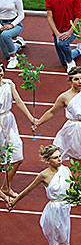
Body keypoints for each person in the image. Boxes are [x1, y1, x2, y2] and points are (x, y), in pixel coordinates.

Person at [7, 144, 81, 245]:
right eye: (55, 158)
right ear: (47, 160)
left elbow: (75, 189)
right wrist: (14, 202)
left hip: (65, 210)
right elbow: (27, 190)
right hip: (54, 212)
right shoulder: (44, 175)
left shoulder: (66, 170)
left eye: (60, 156)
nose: (59, 160)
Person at [0, 61, 34, 194]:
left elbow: (18, 101)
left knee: (18, 157)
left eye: (1, 70)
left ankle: (5, 187)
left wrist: (31, 119)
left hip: (9, 122)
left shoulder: (9, 84)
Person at [45, 0, 81, 72]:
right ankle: (80, 50)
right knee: (63, 61)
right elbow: (50, 17)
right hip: (58, 30)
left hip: (71, 28)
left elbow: (78, 16)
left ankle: (70, 62)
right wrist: (56, 33)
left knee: (63, 44)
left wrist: (69, 32)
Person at [0, 0, 25, 69]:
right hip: (1, 24)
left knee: (5, 35)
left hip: (15, 25)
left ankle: (13, 58)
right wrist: (0, 26)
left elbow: (21, 15)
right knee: (7, 55)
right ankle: (18, 43)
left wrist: (12, 25)